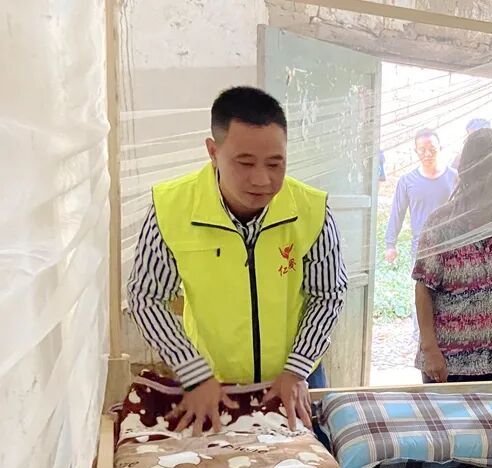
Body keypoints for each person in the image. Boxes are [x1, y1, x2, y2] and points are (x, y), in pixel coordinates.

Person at [126, 86, 347, 433]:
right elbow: (146, 297)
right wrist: (193, 373)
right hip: (210, 384)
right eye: (244, 163)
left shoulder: (310, 210)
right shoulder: (173, 208)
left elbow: (328, 294)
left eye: (275, 164)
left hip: (293, 379)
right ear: (213, 152)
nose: (262, 179)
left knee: (304, 463)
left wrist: (297, 368)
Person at [412, 129, 492, 383]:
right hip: (446, 364)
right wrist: (430, 349)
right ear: (471, 174)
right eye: (489, 177)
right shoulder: (441, 224)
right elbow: (423, 289)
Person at [384, 128, 458, 264]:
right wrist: (390, 245)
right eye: (422, 150)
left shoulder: (455, 177)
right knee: (421, 279)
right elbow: (397, 213)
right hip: (420, 248)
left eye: (432, 149)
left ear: (440, 148)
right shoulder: (407, 181)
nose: (427, 154)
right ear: (415, 151)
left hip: (449, 246)